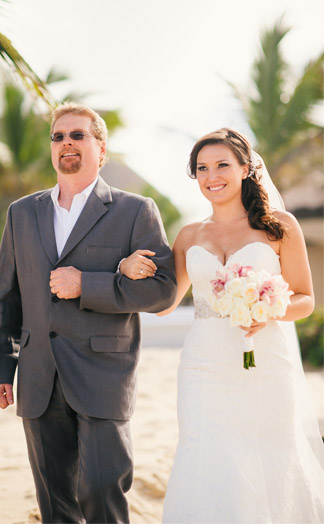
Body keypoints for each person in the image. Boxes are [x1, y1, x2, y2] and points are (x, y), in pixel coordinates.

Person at [0, 102, 177, 523]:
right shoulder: (22, 212)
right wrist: (0, 368)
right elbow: (6, 297)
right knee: (55, 502)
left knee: (103, 489)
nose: (66, 143)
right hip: (38, 376)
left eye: (78, 135)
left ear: (101, 149)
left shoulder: (135, 210)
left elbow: (163, 291)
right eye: (58, 137)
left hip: (104, 374)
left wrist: (87, 284)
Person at [122, 128, 324, 522]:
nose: (211, 175)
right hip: (204, 364)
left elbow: (305, 299)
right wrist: (126, 270)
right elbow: (165, 306)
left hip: (266, 361)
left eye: (222, 165)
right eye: (201, 168)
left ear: (246, 169)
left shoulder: (279, 226)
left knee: (269, 451)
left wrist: (266, 309)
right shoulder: (188, 236)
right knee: (205, 451)